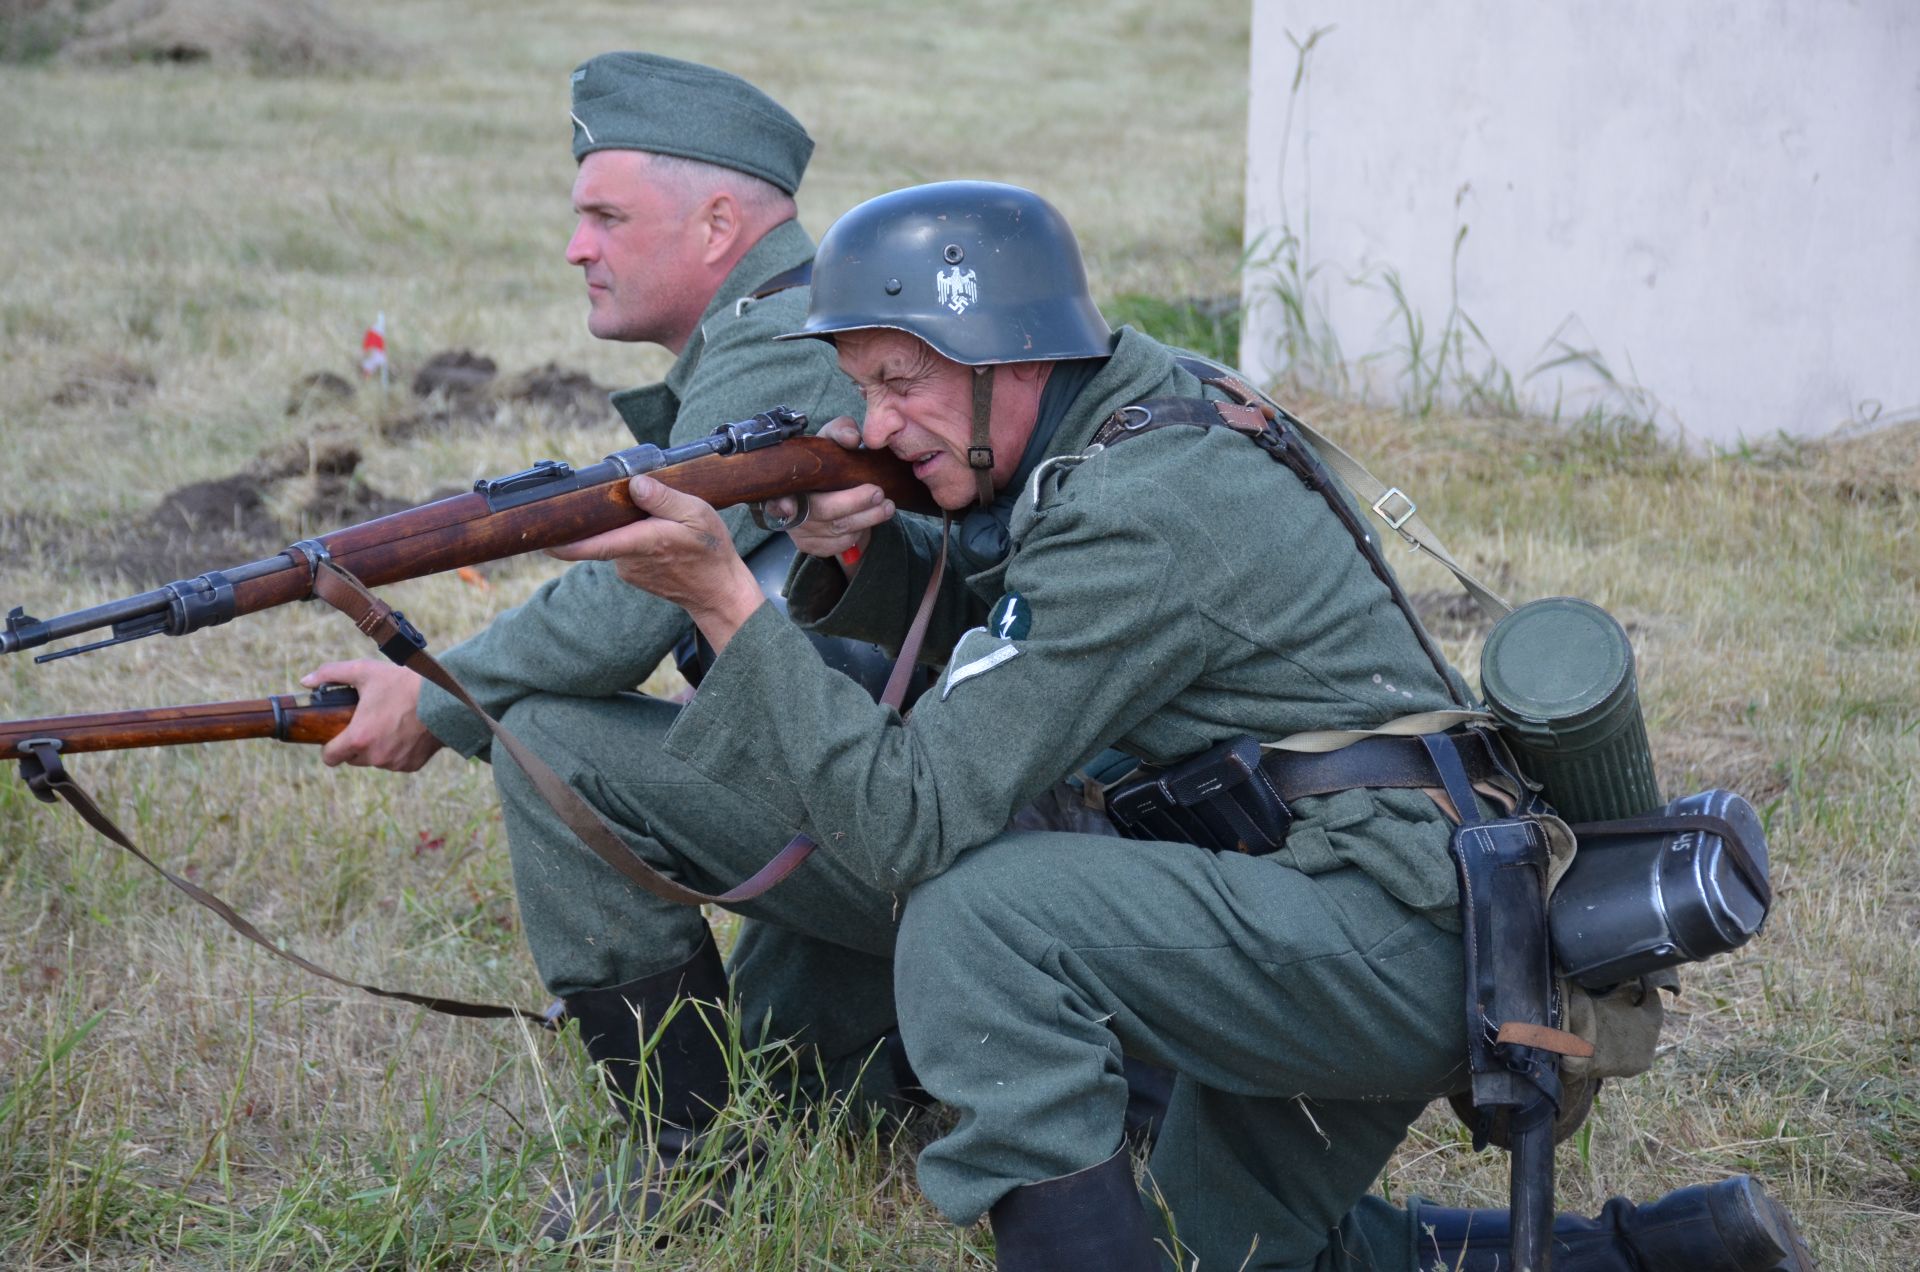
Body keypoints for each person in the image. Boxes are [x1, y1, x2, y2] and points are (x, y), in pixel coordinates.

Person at [559, 180, 1812, 1271]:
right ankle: (1662, 1253)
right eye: (862, 389)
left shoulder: (1146, 505)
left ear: (1015, 356)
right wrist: (865, 561)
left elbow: (909, 825)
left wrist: (733, 601)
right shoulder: (1135, 413)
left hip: (1391, 931)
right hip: (1380, 898)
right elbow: (1037, 622)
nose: (878, 424)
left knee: (982, 915)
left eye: (904, 382)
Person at [298, 52, 917, 1233]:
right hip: (904, 767)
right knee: (807, 1090)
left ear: (720, 222)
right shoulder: (787, 321)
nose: (577, 247)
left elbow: (623, 608)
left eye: (605, 216)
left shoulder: (784, 341)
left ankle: (692, 1169)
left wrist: (429, 700)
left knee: (549, 743)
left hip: (943, 815)